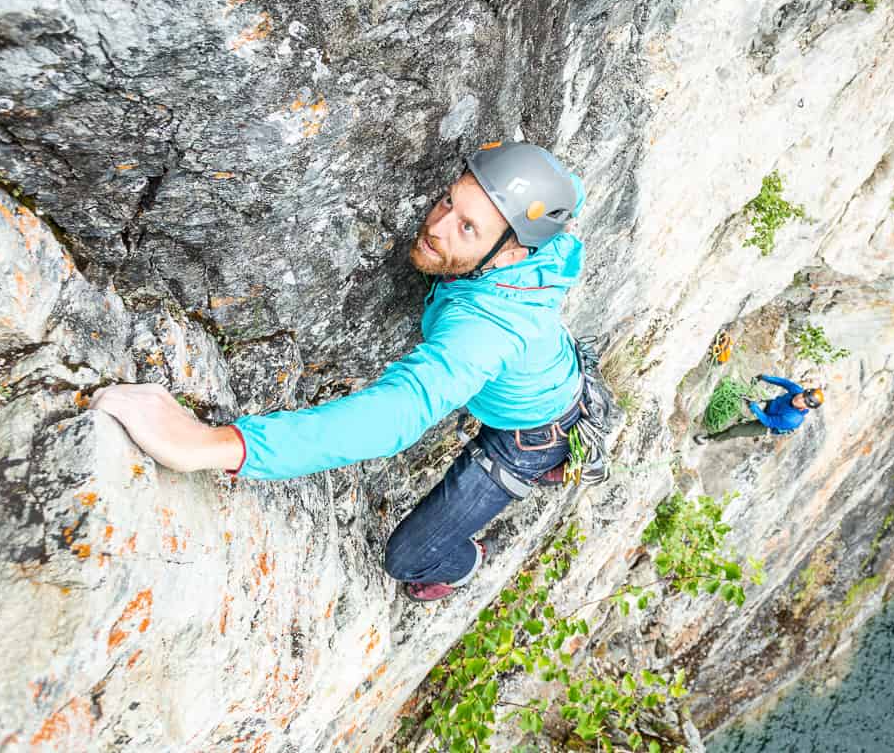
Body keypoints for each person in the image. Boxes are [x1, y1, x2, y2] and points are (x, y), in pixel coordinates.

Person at [90, 141, 587, 602]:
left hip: (528, 437)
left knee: (409, 561)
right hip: (547, 376)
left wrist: (212, 444)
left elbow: (398, 414)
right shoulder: (534, 250)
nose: (437, 226)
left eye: (468, 228)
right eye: (447, 202)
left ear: (514, 252)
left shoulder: (488, 329)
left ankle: (469, 559)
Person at [694, 375, 822, 444]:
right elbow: (784, 383)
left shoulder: (792, 419)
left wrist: (754, 407)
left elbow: (768, 421)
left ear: (806, 407)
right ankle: (744, 414)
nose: (800, 399)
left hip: (769, 425)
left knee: (735, 431)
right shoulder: (796, 391)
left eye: (804, 401)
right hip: (771, 406)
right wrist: (765, 378)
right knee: (741, 400)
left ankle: (710, 438)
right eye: (803, 395)